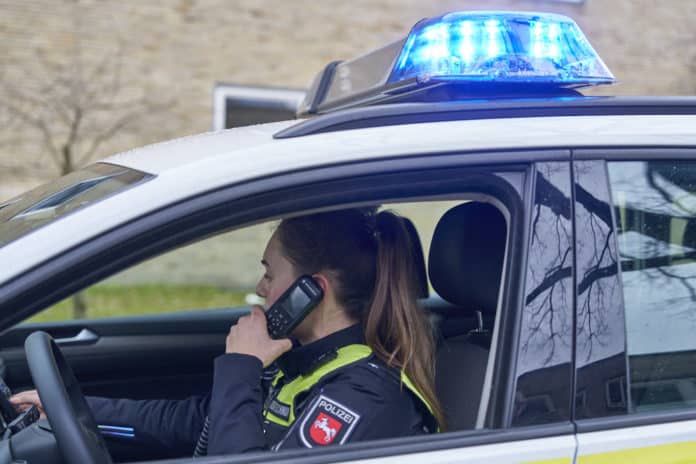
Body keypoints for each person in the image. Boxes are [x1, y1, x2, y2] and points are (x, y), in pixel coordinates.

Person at [11, 208, 444, 457]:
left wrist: (242, 366)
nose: (259, 289)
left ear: (312, 291)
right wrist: (72, 408)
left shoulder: (364, 395)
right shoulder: (303, 362)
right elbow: (194, 421)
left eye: (269, 274)